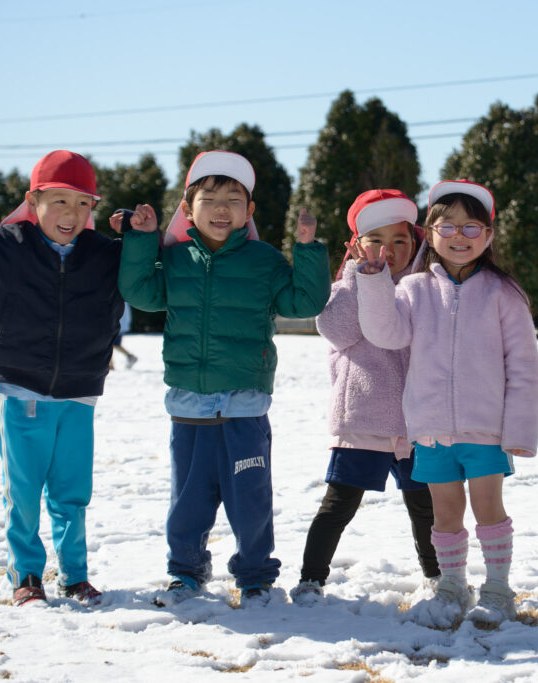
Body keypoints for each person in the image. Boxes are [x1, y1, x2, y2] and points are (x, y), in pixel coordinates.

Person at [117, 151, 330, 608]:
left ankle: (255, 577)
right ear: (187, 208)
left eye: (233, 200)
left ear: (248, 210)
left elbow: (303, 302)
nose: (221, 208)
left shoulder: (263, 260)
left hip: (244, 407)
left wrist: (308, 250)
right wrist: (143, 240)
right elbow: (140, 292)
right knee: (188, 502)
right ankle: (186, 572)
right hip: (189, 407)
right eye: (209, 199)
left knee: (249, 501)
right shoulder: (175, 259)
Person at [0, 150, 123, 606]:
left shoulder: (103, 255)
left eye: (82, 203)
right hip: (20, 391)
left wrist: (138, 235)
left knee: (72, 493)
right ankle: (27, 576)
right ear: (33, 201)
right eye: (59, 201)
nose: (71, 214)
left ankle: (74, 576)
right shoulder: (6, 245)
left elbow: (145, 279)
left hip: (79, 392)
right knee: (23, 492)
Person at [354, 180, 538, 627]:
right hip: (432, 428)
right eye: (448, 226)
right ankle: (452, 585)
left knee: (488, 507)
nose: (460, 236)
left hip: (486, 428)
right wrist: (374, 281)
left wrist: (520, 429)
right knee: (445, 512)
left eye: (471, 227)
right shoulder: (414, 289)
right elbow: (386, 334)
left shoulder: (503, 293)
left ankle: (497, 588)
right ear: (431, 233)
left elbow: (524, 366)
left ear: (489, 235)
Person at [290, 189, 439, 605]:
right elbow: (337, 331)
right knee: (338, 504)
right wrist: (362, 279)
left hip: (416, 423)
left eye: (399, 240)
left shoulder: (424, 288)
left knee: (425, 506)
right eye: (376, 240)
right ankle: (311, 579)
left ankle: (437, 576)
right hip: (363, 417)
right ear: (357, 245)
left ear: (416, 242)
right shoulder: (344, 288)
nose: (387, 251)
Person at [110, 302, 138, 369]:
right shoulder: (125, 302)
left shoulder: (118, 301)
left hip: (117, 326)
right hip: (120, 325)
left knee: (112, 344)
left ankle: (130, 357)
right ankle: (111, 365)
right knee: (111, 345)